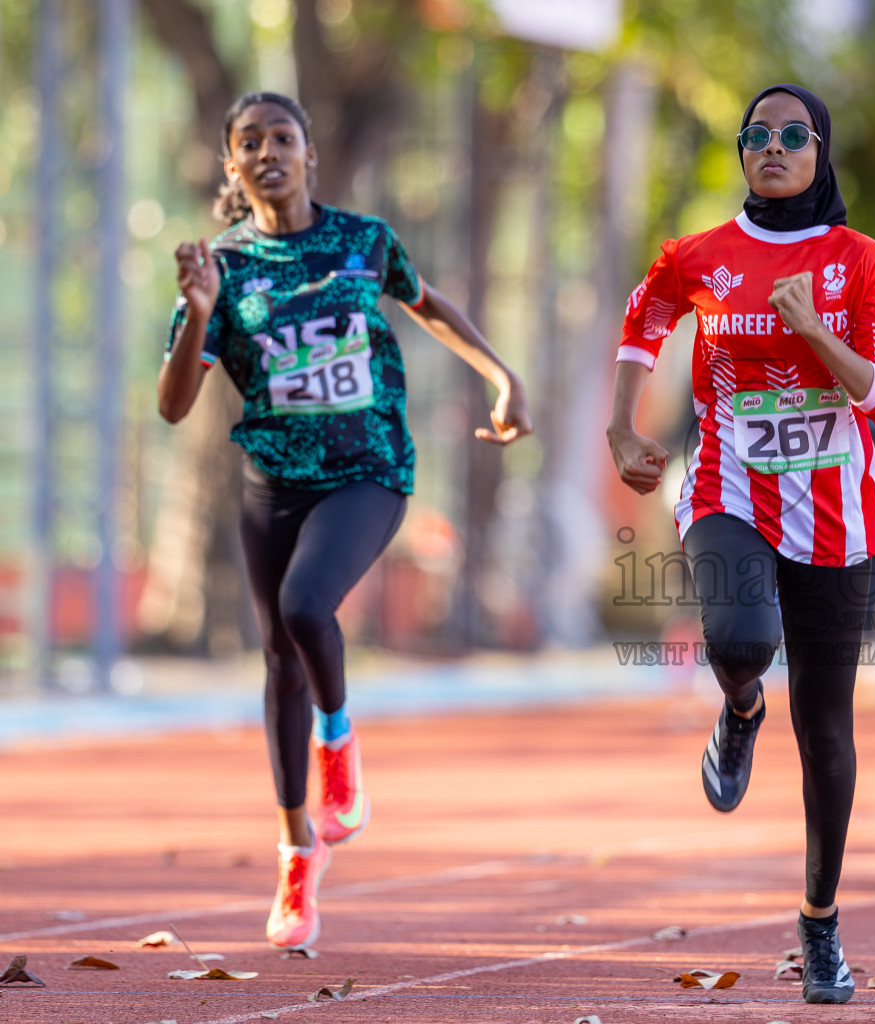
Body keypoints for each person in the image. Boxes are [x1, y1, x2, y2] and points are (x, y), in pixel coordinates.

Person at [159, 92, 531, 952]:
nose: (266, 153)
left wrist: (501, 376)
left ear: (310, 152)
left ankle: (339, 738)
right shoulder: (223, 267)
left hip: (369, 472)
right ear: (231, 167)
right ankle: (298, 850)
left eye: (281, 137)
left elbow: (427, 302)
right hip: (272, 484)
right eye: (248, 143)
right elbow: (176, 404)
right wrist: (202, 315)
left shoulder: (363, 240)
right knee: (279, 664)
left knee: (305, 606)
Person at [605, 83, 875, 1004]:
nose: (772, 147)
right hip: (729, 491)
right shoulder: (697, 257)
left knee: (826, 733)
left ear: (822, 150)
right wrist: (624, 430)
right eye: (756, 135)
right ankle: (739, 708)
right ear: (741, 152)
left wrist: (814, 330)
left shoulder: (862, 264)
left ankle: (819, 924)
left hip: (838, 516)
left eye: (792, 135)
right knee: (742, 642)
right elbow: (644, 322)